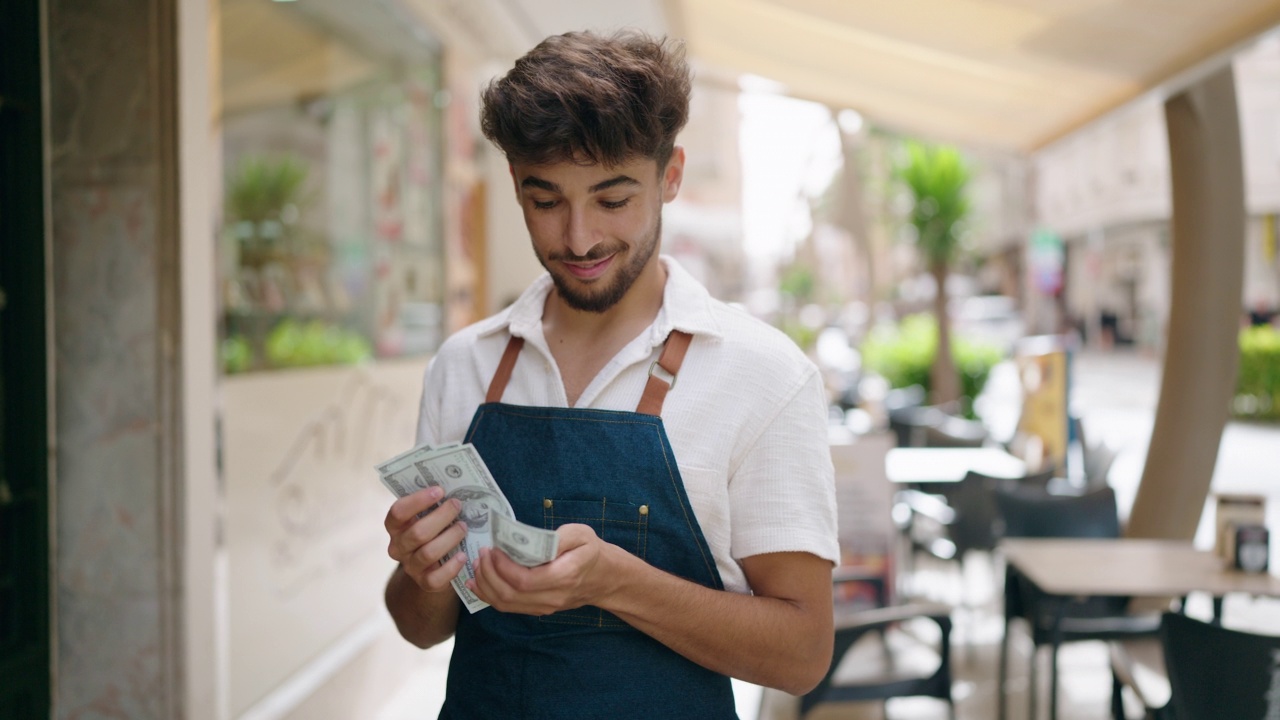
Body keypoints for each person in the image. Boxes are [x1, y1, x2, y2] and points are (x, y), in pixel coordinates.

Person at [382, 29, 838, 719]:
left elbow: (802, 654)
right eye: (545, 201)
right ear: (513, 185)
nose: (578, 237)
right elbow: (421, 628)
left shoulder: (763, 376)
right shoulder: (464, 365)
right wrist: (422, 572)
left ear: (671, 175)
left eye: (612, 199)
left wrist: (616, 582)